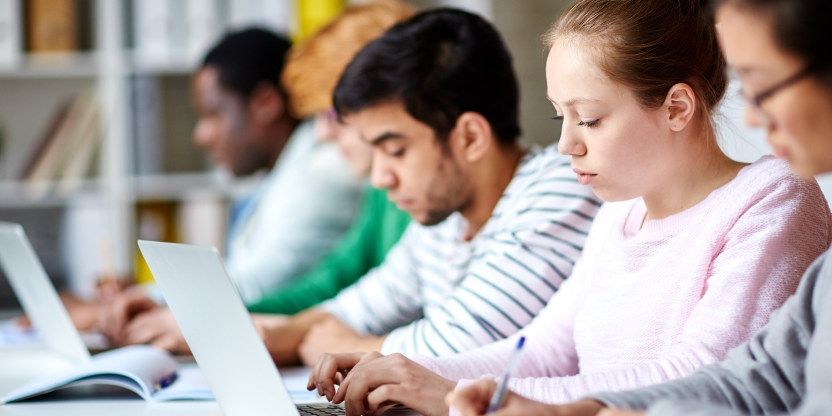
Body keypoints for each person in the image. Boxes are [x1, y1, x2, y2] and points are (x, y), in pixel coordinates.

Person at [305, 1, 832, 415]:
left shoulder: (769, 200)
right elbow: (541, 349)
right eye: (561, 116)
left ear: (676, 107)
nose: (565, 145)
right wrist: (408, 370)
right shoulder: (617, 215)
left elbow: (700, 371)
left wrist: (457, 392)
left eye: (590, 119)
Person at [253, 8, 602, 367]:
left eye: (395, 151)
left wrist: (341, 345)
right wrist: (274, 336)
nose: (379, 178)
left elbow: (458, 346)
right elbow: (359, 306)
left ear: (469, 137)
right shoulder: (446, 218)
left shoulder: (559, 189)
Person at [98, 28, 364, 350]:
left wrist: (157, 303)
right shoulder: (284, 172)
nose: (200, 135)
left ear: (266, 103)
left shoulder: (325, 170)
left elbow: (259, 283)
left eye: (213, 113)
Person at [247, 0, 414, 315]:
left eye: (333, 114)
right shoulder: (379, 192)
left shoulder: (422, 195)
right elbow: (331, 281)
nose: (322, 134)